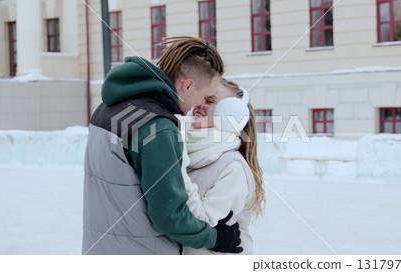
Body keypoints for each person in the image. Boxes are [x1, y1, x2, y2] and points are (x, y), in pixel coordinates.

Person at [82, 37, 242, 254]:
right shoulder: (157, 127)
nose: (199, 105)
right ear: (187, 85)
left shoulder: (109, 108)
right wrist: (215, 238)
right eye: (205, 96)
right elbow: (169, 216)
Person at [182, 78, 265, 254]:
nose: (198, 104)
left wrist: (177, 166)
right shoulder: (190, 154)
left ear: (231, 115)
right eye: (200, 96)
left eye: (210, 101)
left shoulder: (232, 168)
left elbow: (202, 226)